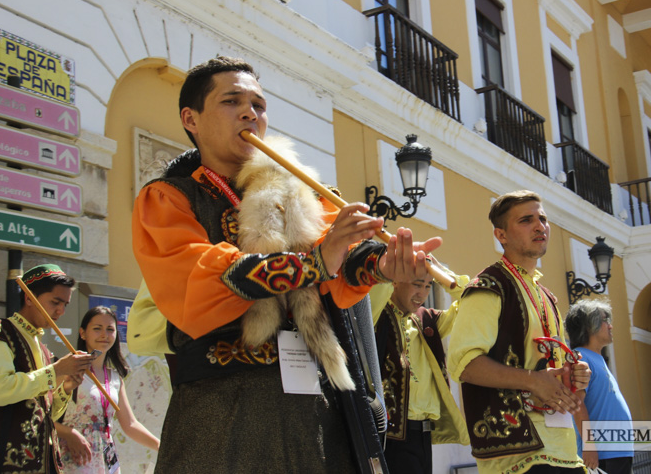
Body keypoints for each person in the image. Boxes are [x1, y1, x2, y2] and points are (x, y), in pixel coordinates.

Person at [131, 56, 440, 473]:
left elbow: (343, 262)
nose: (250, 113)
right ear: (192, 118)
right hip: (222, 415)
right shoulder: (169, 198)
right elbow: (199, 275)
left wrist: (384, 264)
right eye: (232, 101)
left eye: (259, 105)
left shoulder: (303, 193)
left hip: (317, 416)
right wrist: (314, 261)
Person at [447, 190, 591, 474]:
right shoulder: (488, 286)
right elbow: (463, 364)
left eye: (543, 218)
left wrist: (576, 377)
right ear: (501, 235)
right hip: (516, 454)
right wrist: (533, 381)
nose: (540, 226)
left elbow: (553, 374)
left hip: (564, 449)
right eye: (526, 220)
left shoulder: (547, 296)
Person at [0, 264, 95, 474]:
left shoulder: (44, 351)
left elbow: (46, 414)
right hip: (4, 464)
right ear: (30, 298)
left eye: (65, 304)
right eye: (55, 302)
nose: (60, 311)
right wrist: (55, 371)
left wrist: (66, 388)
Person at [371, 256, 471, 473]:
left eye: (428, 286)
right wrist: (397, 261)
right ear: (396, 281)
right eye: (417, 284)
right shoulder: (377, 313)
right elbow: (378, 288)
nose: (423, 294)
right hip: (390, 434)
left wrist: (440, 272)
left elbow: (470, 300)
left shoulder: (428, 320)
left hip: (424, 435)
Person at [56, 306, 160, 473]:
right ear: (83, 333)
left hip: (106, 460)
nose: (104, 335)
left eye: (110, 329)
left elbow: (130, 424)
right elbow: (42, 416)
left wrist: (160, 446)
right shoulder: (66, 369)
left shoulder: (115, 379)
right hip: (74, 457)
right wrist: (69, 433)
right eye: (97, 329)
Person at [565, 298, 633, 474]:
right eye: (605, 320)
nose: (610, 326)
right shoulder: (580, 357)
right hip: (602, 456)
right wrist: (589, 447)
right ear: (589, 325)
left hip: (615, 452)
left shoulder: (597, 358)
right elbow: (577, 404)